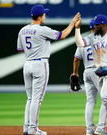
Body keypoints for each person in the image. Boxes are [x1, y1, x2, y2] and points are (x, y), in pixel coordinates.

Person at [17, 4, 79, 135]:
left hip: (27, 64)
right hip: (40, 64)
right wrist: (72, 23)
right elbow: (62, 35)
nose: (45, 15)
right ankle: (33, 129)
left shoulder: (22, 30)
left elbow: (21, 49)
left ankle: (27, 128)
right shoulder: (42, 29)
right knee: (36, 99)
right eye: (44, 14)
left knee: (30, 98)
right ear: (39, 17)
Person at [74, 14, 107, 135]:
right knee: (105, 97)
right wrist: (77, 29)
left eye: (96, 24)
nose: (94, 26)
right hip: (101, 72)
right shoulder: (93, 37)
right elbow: (80, 43)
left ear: (103, 25)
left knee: (105, 96)